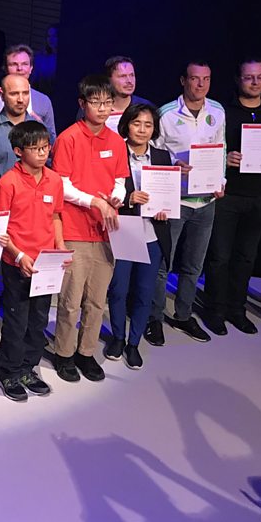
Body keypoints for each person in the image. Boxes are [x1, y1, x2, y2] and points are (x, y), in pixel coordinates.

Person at [201, 59, 261, 337]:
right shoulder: (222, 112)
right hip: (228, 195)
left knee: (246, 258)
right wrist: (224, 158)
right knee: (220, 257)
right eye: (249, 77)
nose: (255, 82)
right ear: (238, 79)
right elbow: (208, 147)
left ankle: (237, 309)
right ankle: (215, 310)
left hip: (260, 196)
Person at [51, 75, 128, 383]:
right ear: (82, 104)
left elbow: (120, 181)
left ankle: (86, 352)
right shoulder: (68, 138)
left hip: (107, 231)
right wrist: (95, 201)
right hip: (75, 229)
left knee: (97, 300)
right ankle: (64, 353)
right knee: (71, 300)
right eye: (96, 102)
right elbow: (63, 186)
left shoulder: (116, 141)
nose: (103, 108)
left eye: (108, 103)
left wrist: (116, 197)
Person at [151, 61, 226, 343]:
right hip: (175, 200)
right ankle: (155, 318)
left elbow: (221, 149)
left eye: (206, 79)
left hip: (205, 201)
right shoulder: (166, 113)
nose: (201, 84)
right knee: (163, 264)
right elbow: (154, 152)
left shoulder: (217, 111)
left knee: (194, 265)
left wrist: (221, 181)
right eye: (195, 79)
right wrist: (173, 165)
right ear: (184, 80)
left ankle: (183, 315)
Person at [0, 120, 65, 402]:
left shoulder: (54, 180)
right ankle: (9, 371)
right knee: (16, 320)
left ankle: (27, 368)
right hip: (17, 263)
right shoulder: (7, 183)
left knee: (38, 320)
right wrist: (19, 255)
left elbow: (55, 216)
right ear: (18, 151)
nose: (43, 153)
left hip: (46, 263)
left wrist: (60, 248)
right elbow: (0, 228)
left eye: (46, 147)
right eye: (36, 149)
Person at [104, 103, 171, 368]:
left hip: (153, 233)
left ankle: (134, 343)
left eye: (148, 124)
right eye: (136, 123)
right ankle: (118, 338)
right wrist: (128, 199)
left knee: (145, 292)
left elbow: (168, 195)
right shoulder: (115, 153)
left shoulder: (163, 156)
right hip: (124, 230)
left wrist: (165, 210)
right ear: (126, 126)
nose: (142, 130)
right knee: (119, 290)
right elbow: (105, 191)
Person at [0, 45, 57, 138]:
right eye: (14, 64)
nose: (19, 68)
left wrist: (41, 126)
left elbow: (53, 140)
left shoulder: (43, 101)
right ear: (5, 69)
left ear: (31, 68)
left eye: (25, 64)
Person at [33, 24, 59, 98]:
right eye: (48, 36)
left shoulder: (64, 59)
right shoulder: (40, 56)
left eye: (54, 36)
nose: (51, 39)